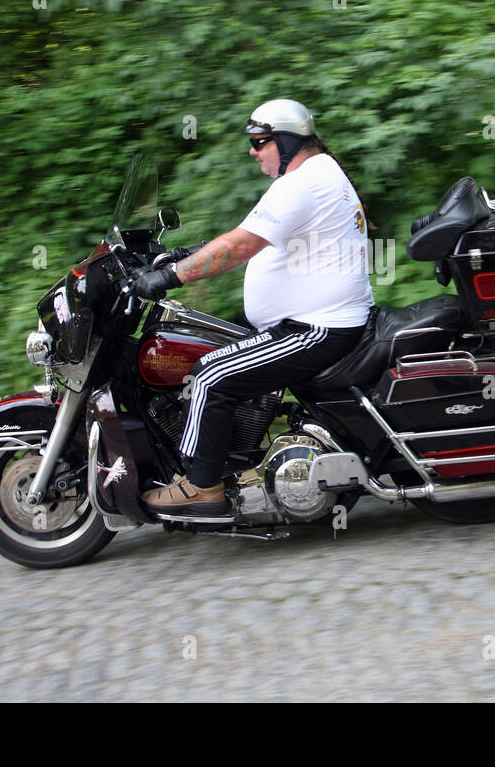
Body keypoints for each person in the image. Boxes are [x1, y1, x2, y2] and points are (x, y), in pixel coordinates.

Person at [128, 99, 375, 515]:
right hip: (310, 317)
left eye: (259, 142)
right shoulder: (316, 174)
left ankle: (203, 485)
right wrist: (182, 255)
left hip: (318, 328)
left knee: (210, 376)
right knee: (201, 343)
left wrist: (169, 277)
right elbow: (251, 234)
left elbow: (239, 247)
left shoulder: (304, 182)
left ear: (285, 140)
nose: (253, 151)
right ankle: (235, 461)